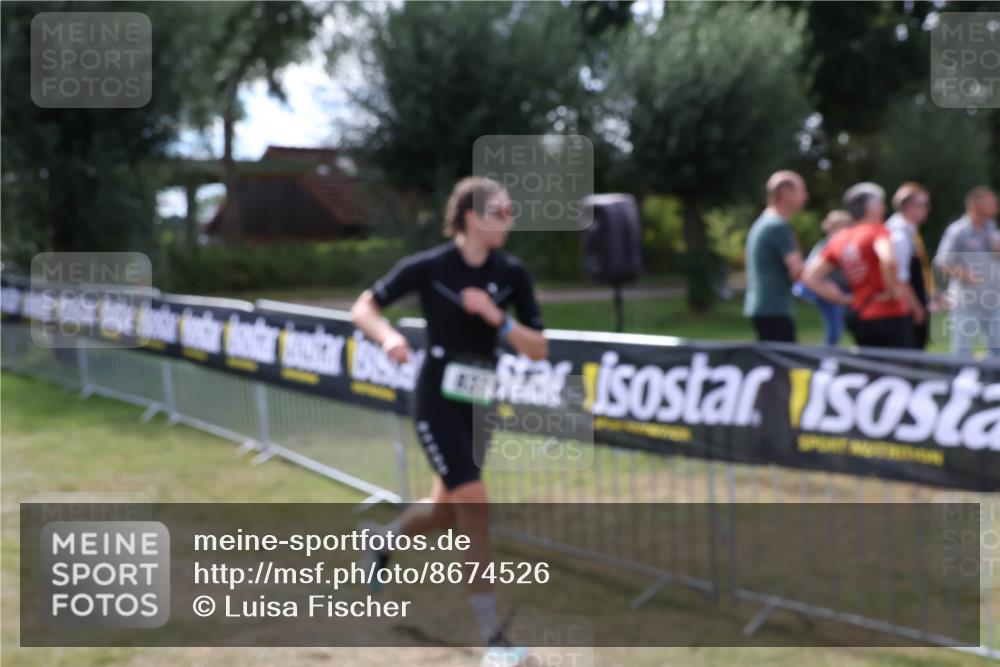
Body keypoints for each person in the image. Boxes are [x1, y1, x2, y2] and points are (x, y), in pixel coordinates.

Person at [351, 176, 547, 666]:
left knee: (445, 512)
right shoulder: (429, 266)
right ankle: (493, 640)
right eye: (501, 211)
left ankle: (380, 539)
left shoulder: (512, 273)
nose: (509, 220)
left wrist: (497, 319)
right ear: (471, 217)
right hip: (437, 395)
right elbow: (364, 306)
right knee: (475, 503)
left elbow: (540, 349)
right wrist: (387, 337)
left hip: (480, 399)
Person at [802, 182, 913, 348]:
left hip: (860, 316)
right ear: (870, 207)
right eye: (881, 204)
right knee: (898, 371)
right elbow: (888, 259)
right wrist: (891, 291)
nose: (883, 209)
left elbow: (810, 277)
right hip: (890, 315)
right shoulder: (877, 231)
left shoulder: (841, 238)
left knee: (869, 370)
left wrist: (842, 299)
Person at [933, 186, 1000, 357]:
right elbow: (942, 262)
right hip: (966, 302)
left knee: (997, 349)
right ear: (976, 204)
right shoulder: (958, 231)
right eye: (991, 201)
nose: (996, 204)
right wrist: (968, 274)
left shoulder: (991, 227)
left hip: (992, 300)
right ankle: (958, 381)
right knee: (961, 351)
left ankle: (993, 382)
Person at [743, 170, 808, 342]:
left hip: (764, 308)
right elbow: (797, 271)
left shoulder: (764, 222)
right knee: (785, 366)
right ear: (786, 192)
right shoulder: (777, 226)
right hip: (774, 310)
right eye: (802, 190)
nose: (805, 197)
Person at [792, 210, 853, 345]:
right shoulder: (827, 245)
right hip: (823, 291)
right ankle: (827, 360)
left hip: (837, 291)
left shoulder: (845, 244)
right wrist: (827, 285)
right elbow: (808, 273)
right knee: (835, 328)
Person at [886, 182, 934, 349]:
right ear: (908, 207)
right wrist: (917, 308)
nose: (927, 209)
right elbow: (899, 278)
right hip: (905, 309)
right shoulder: (899, 235)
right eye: (923, 205)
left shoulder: (909, 232)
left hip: (910, 304)